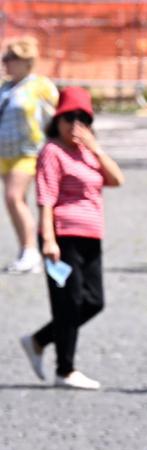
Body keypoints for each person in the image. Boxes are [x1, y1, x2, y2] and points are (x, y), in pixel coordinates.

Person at [21, 87, 124, 390]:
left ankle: (39, 340)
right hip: (63, 235)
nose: (75, 125)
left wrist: (96, 148)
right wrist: (48, 240)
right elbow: (46, 198)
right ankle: (65, 369)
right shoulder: (52, 151)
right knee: (68, 301)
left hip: (91, 235)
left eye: (82, 119)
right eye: (69, 118)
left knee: (94, 301)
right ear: (58, 120)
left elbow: (117, 179)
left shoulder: (88, 152)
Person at [0, 36, 58, 274]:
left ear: (26, 62)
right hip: (5, 151)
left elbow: (59, 113)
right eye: (5, 58)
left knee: (13, 197)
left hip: (29, 151)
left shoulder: (39, 85)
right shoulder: (5, 88)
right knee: (15, 201)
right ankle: (26, 250)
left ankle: (31, 250)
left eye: (11, 58)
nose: (5, 62)